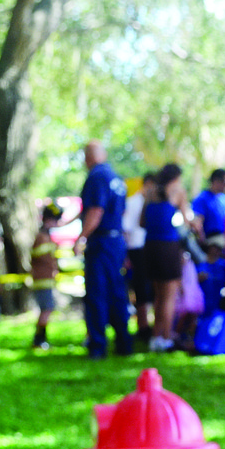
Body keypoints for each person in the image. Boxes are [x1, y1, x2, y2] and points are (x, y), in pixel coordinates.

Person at [73, 140, 133, 359]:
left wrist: (81, 238)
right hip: (116, 242)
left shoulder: (97, 177)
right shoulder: (116, 178)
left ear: (87, 157)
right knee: (117, 292)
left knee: (97, 294)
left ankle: (98, 346)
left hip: (101, 243)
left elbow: (96, 211)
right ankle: (124, 342)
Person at [142, 163, 191, 352]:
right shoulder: (178, 191)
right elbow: (186, 223)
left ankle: (156, 338)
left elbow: (142, 222)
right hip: (168, 247)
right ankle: (166, 337)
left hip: (151, 247)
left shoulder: (150, 192)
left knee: (159, 296)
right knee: (169, 296)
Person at [123, 171, 155, 343]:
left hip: (150, 249)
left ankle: (149, 326)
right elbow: (126, 230)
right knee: (141, 290)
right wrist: (127, 255)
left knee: (151, 290)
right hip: (136, 251)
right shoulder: (132, 202)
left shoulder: (153, 203)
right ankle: (143, 327)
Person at [30, 202, 63, 349]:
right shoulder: (42, 237)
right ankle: (39, 340)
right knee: (46, 309)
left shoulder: (46, 236)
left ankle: (41, 339)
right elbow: (43, 258)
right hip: (42, 281)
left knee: (47, 310)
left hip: (47, 280)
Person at [191, 168, 225, 246]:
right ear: (216, 181)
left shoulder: (224, 199)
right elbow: (198, 224)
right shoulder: (202, 198)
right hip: (211, 240)